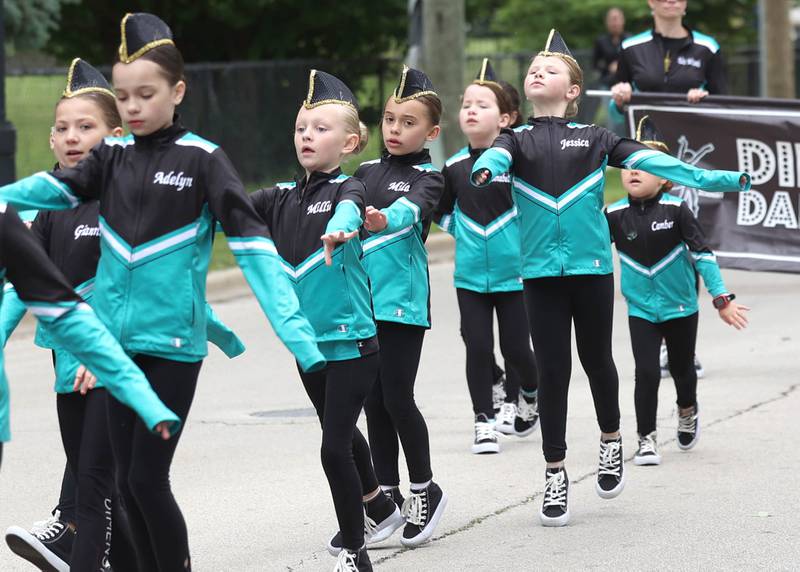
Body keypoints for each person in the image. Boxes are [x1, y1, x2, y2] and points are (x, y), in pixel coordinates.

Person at [0, 13, 324, 570]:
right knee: (120, 485)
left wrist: (299, 337)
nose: (131, 106)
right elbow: (49, 190)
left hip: (172, 348)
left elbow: (252, 249)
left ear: (177, 91)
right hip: (112, 350)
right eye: (123, 96)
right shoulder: (112, 157)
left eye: (145, 94)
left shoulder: (203, 159)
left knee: (147, 481)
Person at [471, 29, 750, 527]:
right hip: (538, 274)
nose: (538, 72)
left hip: (591, 271)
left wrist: (723, 179)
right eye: (534, 68)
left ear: (573, 90)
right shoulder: (515, 140)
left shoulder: (597, 139)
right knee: (553, 371)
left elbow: (659, 163)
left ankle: (610, 440)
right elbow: (497, 156)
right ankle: (554, 472)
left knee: (597, 360)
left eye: (551, 69)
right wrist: (488, 167)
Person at [1, 58, 245, 572]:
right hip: (67, 373)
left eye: (85, 127)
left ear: (114, 138)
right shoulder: (48, 212)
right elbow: (20, 288)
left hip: (114, 365)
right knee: (112, 493)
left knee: (101, 490)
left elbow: (147, 287)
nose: (72, 138)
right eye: (62, 128)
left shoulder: (123, 205)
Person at [250, 70, 403, 572]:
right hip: (308, 347)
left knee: (332, 447)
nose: (307, 136)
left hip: (354, 343)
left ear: (351, 142)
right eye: (301, 128)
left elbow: (350, 211)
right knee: (339, 431)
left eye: (320, 128)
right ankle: (380, 504)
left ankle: (356, 555)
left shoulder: (349, 188)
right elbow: (231, 208)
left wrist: (340, 231)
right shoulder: (279, 197)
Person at [605, 116, 749, 465]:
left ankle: (687, 409)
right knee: (647, 372)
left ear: (666, 176)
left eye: (644, 165)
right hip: (641, 309)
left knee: (683, 369)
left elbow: (704, 256)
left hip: (682, 306)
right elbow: (589, 251)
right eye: (627, 165)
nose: (633, 171)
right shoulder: (612, 213)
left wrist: (721, 300)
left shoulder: (678, 209)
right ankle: (646, 438)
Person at [355, 65, 447, 547]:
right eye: (390, 119)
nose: (395, 129)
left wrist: (381, 218)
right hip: (362, 304)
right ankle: (385, 497)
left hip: (402, 305)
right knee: (372, 402)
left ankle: (424, 489)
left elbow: (410, 211)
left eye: (408, 123)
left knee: (397, 397)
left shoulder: (430, 177)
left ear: (430, 132)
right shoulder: (366, 171)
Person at [434, 59, 539, 454]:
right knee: (477, 346)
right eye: (466, 104)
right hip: (471, 276)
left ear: (506, 119)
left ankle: (526, 394)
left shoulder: (519, 165)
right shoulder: (455, 166)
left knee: (517, 350)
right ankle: (484, 419)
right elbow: (441, 209)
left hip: (516, 275)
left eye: (483, 104)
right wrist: (460, 228)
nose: (471, 110)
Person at [593, 7, 630, 88]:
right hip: (607, 82)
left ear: (623, 20)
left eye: (617, 19)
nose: (614, 23)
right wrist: (608, 67)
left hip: (626, 84)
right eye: (612, 19)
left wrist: (620, 66)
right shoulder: (601, 41)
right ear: (607, 22)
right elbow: (596, 64)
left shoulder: (630, 39)